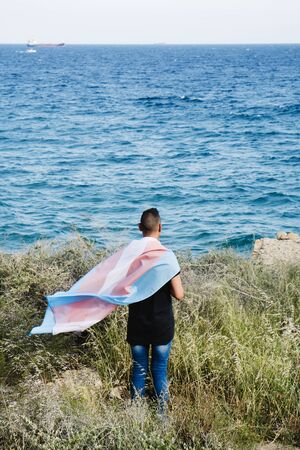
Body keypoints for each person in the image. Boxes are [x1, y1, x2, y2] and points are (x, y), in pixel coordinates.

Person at [126, 208, 184, 413]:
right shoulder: (167, 257)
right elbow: (179, 294)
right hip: (161, 325)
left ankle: (137, 416)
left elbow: (121, 288)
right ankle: (163, 418)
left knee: (139, 370)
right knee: (160, 370)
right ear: (161, 227)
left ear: (139, 228)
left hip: (137, 324)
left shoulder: (131, 257)